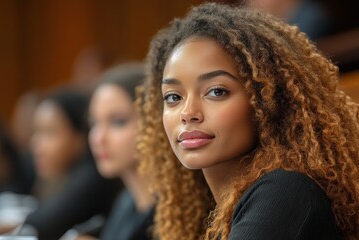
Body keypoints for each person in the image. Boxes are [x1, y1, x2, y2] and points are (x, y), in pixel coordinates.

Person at [137, 3, 359, 240]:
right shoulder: (204, 212)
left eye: (216, 92)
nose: (188, 112)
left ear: (268, 101)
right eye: (173, 97)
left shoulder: (286, 192)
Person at [24, 88, 118, 240]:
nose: (36, 144)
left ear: (80, 136)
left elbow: (41, 226)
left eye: (49, 132)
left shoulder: (94, 175)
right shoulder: (63, 176)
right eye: (36, 132)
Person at [79, 63, 153, 240]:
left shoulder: (177, 213)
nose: (98, 138)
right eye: (94, 123)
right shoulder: (126, 201)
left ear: (153, 123)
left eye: (118, 122)